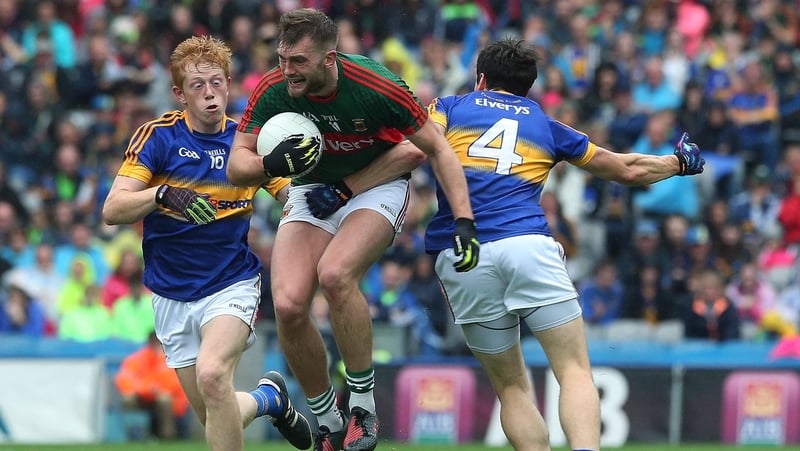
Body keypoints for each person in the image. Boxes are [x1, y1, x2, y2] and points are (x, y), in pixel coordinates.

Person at [424, 38, 705, 451]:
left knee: (511, 387)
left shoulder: (448, 108)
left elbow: (415, 147)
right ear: (528, 88)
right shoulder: (547, 127)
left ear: (480, 79)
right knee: (573, 370)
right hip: (527, 246)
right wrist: (678, 163)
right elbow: (625, 169)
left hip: (463, 253)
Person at [226, 8, 479, 451]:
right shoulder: (274, 89)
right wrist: (270, 164)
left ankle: (362, 407)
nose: (287, 71)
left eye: (298, 62)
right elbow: (236, 166)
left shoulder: (375, 86)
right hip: (312, 189)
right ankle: (328, 420)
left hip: (376, 188)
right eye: (283, 59)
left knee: (336, 275)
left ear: (330, 58)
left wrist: (464, 219)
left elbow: (427, 149)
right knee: (286, 304)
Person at [101, 35, 313, 451]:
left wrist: (312, 195)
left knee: (213, 376)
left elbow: (292, 197)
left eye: (217, 82)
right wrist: (161, 194)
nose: (210, 93)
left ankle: (264, 398)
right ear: (179, 93)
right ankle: (268, 399)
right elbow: (113, 209)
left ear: (229, 84)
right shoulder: (157, 137)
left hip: (230, 282)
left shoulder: (247, 143)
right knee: (215, 410)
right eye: (198, 86)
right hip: (170, 293)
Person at [114, 332, 191, 440]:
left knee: (164, 399)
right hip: (143, 397)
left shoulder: (172, 358)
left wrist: (158, 389)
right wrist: (148, 389)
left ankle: (168, 436)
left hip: (169, 398)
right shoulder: (137, 359)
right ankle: (135, 434)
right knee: (127, 398)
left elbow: (176, 383)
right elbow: (124, 380)